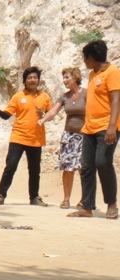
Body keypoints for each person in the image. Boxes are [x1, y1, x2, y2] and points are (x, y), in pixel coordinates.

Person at [68, 40, 119, 220]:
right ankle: (87, 206)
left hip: (107, 127)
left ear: (91, 57)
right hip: (89, 127)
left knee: (102, 162)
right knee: (87, 166)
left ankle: (112, 204)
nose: (84, 61)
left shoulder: (113, 72)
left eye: (85, 57)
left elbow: (115, 100)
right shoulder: (92, 74)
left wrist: (112, 125)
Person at [0, 66, 52, 207]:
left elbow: (50, 115)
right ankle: (0, 195)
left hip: (36, 139)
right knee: (10, 166)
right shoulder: (18, 97)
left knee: (35, 170)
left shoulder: (45, 97)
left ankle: (34, 197)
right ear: (25, 80)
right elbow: (6, 116)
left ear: (38, 80)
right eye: (29, 78)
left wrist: (44, 115)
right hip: (18, 137)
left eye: (35, 77)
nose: (32, 80)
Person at [38, 68, 86, 209]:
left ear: (75, 77)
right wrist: (43, 120)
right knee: (67, 168)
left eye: (67, 77)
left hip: (85, 136)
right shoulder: (64, 96)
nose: (64, 80)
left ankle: (85, 199)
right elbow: (53, 111)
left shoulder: (86, 93)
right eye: (63, 78)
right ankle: (66, 199)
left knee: (84, 168)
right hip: (68, 136)